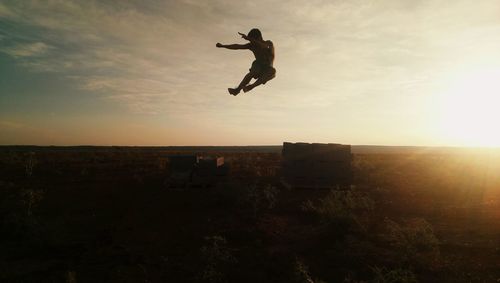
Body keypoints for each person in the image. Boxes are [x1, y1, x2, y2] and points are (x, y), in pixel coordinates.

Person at [216, 28, 276, 95]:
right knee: (253, 71)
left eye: (253, 40)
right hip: (258, 65)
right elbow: (237, 46)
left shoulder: (268, 43)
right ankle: (237, 90)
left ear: (259, 38)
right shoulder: (251, 45)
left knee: (273, 72)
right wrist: (223, 46)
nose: (252, 43)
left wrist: (249, 39)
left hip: (267, 68)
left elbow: (263, 46)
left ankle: (251, 86)